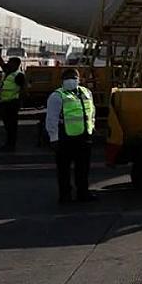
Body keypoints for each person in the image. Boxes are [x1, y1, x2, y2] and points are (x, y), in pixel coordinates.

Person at [46, 68, 97, 204]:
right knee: (64, 169)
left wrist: (92, 128)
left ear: (79, 79)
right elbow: (51, 119)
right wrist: (53, 138)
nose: (71, 80)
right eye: (68, 78)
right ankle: (65, 195)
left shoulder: (86, 93)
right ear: (62, 80)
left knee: (83, 168)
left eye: (74, 78)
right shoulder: (57, 96)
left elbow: (91, 112)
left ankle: (83, 193)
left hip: (84, 137)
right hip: (65, 138)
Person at [0, 44, 27, 151]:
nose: (7, 64)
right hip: (5, 103)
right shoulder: (8, 71)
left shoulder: (18, 75)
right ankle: (8, 144)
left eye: (10, 62)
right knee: (7, 125)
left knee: (11, 126)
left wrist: (20, 103)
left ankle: (11, 145)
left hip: (12, 103)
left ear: (16, 64)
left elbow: (23, 89)